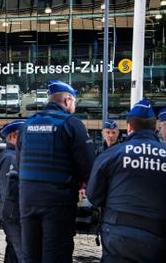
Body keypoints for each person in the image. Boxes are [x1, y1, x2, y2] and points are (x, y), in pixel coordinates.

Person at [17, 80, 95, 263]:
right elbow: (89, 167)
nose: (74, 106)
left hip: (27, 201)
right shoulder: (71, 124)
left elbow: (19, 163)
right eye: (74, 102)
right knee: (56, 255)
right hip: (58, 202)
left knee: (30, 255)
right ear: (67, 101)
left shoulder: (27, 125)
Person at [86, 99, 166, 262]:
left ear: (129, 128)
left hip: (117, 236)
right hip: (158, 238)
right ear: (155, 127)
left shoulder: (111, 155)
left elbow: (93, 196)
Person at [0, 120, 25, 263]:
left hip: (13, 213)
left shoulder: (13, 155)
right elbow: (9, 189)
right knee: (23, 254)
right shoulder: (10, 157)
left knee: (13, 253)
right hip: (13, 214)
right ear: (14, 137)